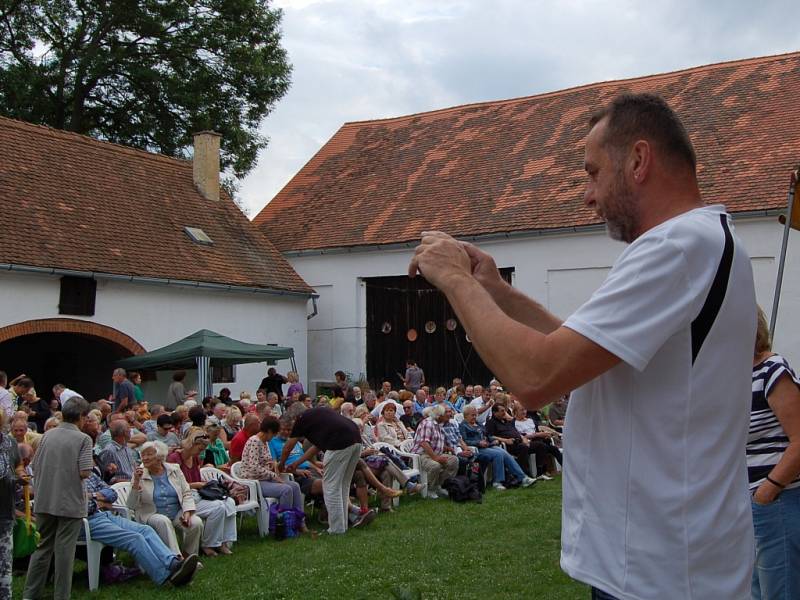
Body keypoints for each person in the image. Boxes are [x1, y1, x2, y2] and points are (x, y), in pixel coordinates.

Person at [408, 93, 757, 598]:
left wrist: (456, 281)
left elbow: (535, 377)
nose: (587, 196)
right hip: (673, 559)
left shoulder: (675, 247)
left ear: (638, 161)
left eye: (593, 173)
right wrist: (493, 288)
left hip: (656, 571)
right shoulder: (708, 242)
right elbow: (581, 353)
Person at [749, 307, 800, 598]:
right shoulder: (732, 376)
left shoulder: (772, 370)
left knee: (780, 592)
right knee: (756, 593)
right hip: (747, 506)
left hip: (775, 502)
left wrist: (767, 492)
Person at [23, 396, 94, 600]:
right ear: (81, 416)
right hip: (69, 502)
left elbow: (35, 465)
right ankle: (61, 595)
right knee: (64, 552)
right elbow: (85, 472)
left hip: (45, 499)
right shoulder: (83, 439)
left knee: (42, 548)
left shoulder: (47, 434)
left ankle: (30, 594)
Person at [84, 471, 199, 586]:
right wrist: (97, 498)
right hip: (86, 521)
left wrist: (94, 496)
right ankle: (164, 577)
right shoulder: (71, 480)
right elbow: (84, 506)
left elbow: (112, 493)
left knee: (146, 530)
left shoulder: (90, 475)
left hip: (103, 515)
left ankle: (173, 563)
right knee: (135, 539)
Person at [277, 406, 363, 534]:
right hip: (356, 439)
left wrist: (281, 464)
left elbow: (287, 447)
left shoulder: (302, 420)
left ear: (294, 418)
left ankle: (336, 529)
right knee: (343, 485)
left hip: (338, 444)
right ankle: (343, 524)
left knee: (330, 487)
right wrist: (297, 463)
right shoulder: (319, 414)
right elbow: (317, 446)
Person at [128, 441, 203, 557]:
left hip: (177, 512)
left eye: (149, 454)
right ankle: (176, 558)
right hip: (152, 514)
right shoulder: (139, 475)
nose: (144, 458)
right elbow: (131, 505)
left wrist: (187, 512)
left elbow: (186, 493)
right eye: (143, 455)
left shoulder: (174, 470)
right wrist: (136, 482)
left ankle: (189, 555)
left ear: (160, 457)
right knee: (163, 521)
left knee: (196, 522)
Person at [168, 431, 237, 556]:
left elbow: (197, 479)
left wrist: (204, 484)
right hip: (182, 501)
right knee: (218, 507)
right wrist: (196, 485)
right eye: (199, 449)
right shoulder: (174, 459)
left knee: (228, 503)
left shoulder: (194, 458)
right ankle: (210, 544)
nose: (201, 453)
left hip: (195, 495)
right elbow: (174, 486)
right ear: (191, 444)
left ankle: (221, 542)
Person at [459, 404, 534, 490]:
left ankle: (523, 478)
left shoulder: (478, 424)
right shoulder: (463, 426)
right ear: (466, 415)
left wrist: (492, 440)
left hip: (487, 446)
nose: (475, 417)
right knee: (498, 454)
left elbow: (487, 435)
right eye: (472, 415)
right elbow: (464, 440)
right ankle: (497, 482)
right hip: (476, 449)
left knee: (504, 453)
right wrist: (479, 442)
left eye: (475, 414)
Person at [1, 411, 26, 598]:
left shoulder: (9, 443)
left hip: (5, 511)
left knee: (5, 564)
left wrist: (20, 475)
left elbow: (18, 465)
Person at [410, 404, 458, 499]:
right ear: (439, 416)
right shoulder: (427, 424)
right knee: (435, 465)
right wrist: (436, 458)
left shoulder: (438, 425)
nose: (450, 414)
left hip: (434, 453)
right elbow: (424, 443)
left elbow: (434, 442)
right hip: (421, 455)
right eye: (446, 413)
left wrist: (446, 448)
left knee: (454, 460)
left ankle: (439, 485)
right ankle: (430, 489)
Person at [98, 419, 138, 483]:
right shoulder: (109, 451)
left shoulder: (126, 447)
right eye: (128, 428)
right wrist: (128, 482)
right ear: (124, 432)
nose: (130, 430)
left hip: (133, 483)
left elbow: (133, 469)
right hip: (122, 488)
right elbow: (105, 477)